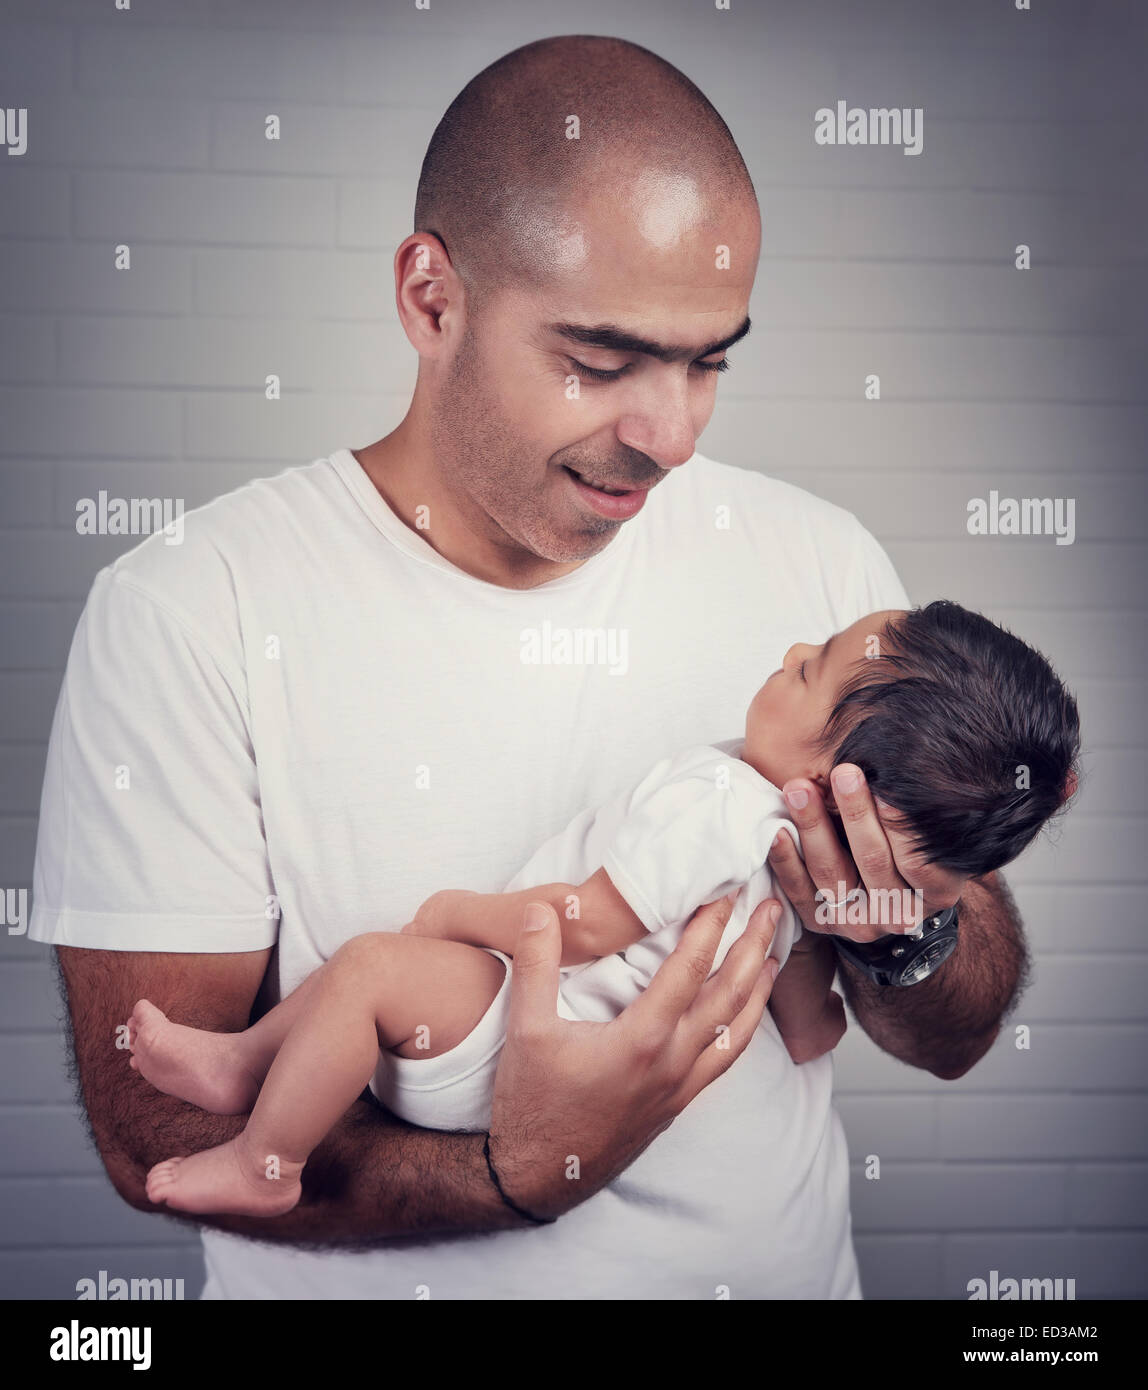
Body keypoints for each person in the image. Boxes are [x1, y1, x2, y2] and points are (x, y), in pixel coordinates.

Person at [30, 35, 1031, 1299]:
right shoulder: (191, 612)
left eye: (708, 360)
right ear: (429, 297)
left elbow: (948, 1028)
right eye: (600, 361)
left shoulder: (823, 571)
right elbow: (153, 1132)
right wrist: (525, 1171)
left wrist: (899, 931)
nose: (667, 434)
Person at [126, 601, 1079, 1220]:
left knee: (372, 969)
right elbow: (805, 1029)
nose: (790, 650)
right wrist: (836, 976)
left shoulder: (717, 799)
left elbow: (577, 924)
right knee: (361, 985)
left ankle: (268, 1159)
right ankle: (246, 1064)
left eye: (810, 671)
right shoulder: (794, 883)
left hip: (524, 1037)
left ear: (841, 780)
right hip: (563, 1055)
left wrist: (455, 912)